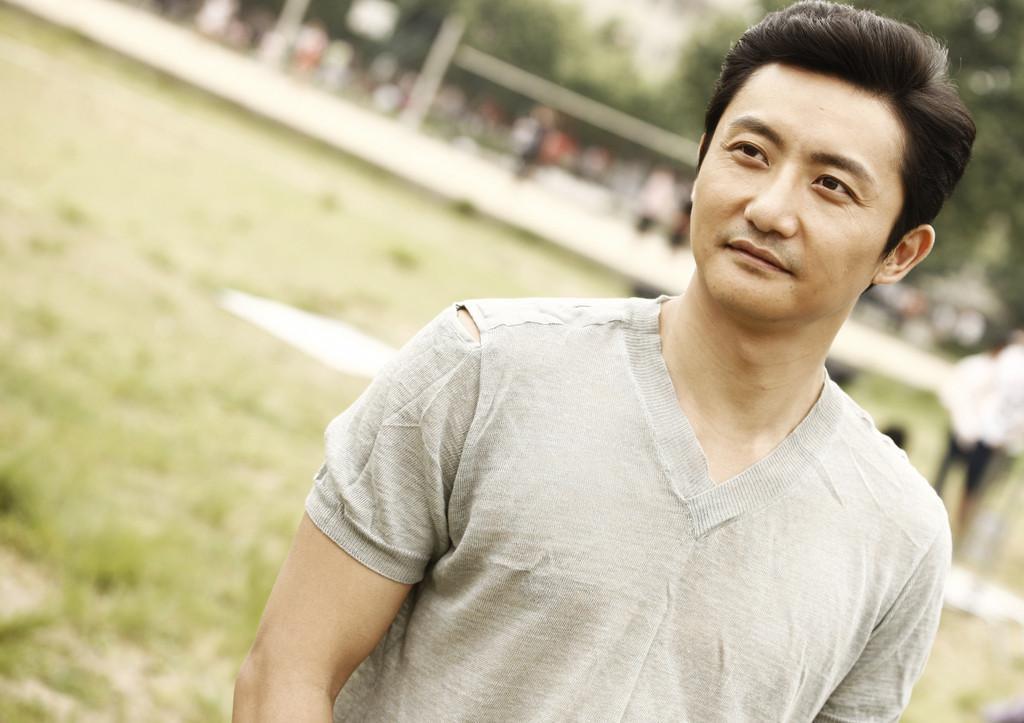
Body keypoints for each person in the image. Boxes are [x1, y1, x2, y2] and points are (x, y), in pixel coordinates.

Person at [233, 2, 975, 720]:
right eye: (750, 152)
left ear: (900, 253)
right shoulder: (480, 370)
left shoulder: (900, 535)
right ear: (701, 161)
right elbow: (286, 674)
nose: (770, 208)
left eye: (831, 185)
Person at [934, 341, 1007, 536]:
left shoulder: (1009, 375)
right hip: (961, 428)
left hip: (986, 440)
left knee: (973, 488)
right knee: (943, 476)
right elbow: (952, 392)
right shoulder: (974, 366)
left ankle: (960, 529)